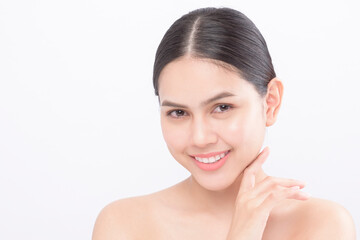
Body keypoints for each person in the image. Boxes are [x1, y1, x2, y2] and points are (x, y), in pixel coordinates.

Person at [92, 7, 356, 239]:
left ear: (270, 102)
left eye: (222, 107)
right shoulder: (124, 225)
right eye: (178, 113)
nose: (200, 137)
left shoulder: (321, 225)